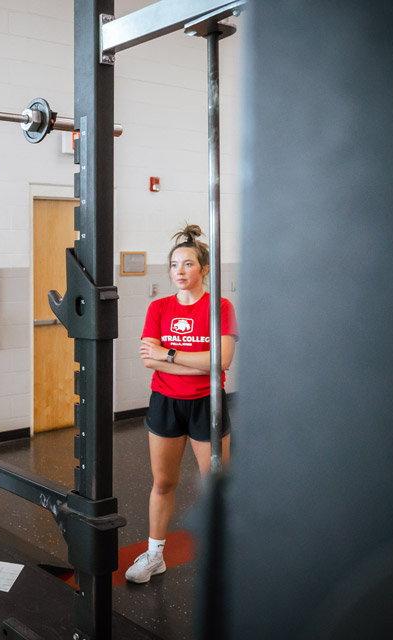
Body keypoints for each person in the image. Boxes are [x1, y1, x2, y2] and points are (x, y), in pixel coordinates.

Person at [126, 224, 238, 584]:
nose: (180, 271)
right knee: (162, 483)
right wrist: (195, 359)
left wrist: (169, 353)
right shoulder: (159, 308)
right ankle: (155, 554)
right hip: (165, 402)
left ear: (203, 269)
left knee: (216, 483)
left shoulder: (220, 306)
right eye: (174, 265)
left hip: (208, 404)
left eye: (188, 264)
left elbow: (221, 361)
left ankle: (223, 552)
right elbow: (149, 360)